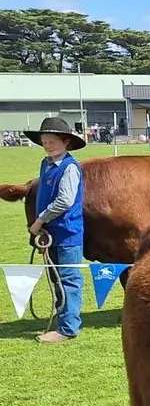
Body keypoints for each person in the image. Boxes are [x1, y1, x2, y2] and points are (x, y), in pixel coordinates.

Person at [24, 116, 87, 343]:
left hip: (67, 232)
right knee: (56, 278)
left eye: (52, 140)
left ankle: (68, 328)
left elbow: (65, 201)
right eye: (44, 140)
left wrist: (40, 220)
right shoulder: (46, 164)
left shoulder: (69, 168)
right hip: (51, 232)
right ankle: (63, 320)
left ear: (66, 143)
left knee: (68, 278)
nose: (47, 144)